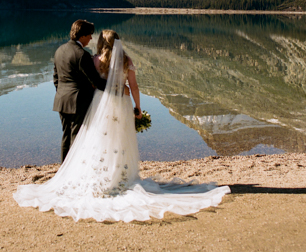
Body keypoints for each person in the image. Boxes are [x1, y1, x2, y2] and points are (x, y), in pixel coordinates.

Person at [14, 30, 230, 222]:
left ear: (101, 42)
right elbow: (134, 86)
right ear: (117, 43)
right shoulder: (126, 60)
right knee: (120, 140)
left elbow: (91, 82)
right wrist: (138, 107)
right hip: (121, 103)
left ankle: (98, 177)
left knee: (98, 140)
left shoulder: (94, 59)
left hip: (100, 103)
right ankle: (121, 177)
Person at [52, 19, 108, 162]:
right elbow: (95, 81)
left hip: (62, 100)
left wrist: (63, 92)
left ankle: (63, 167)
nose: (91, 38)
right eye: (89, 35)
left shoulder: (60, 50)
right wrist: (116, 86)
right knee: (77, 137)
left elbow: (56, 78)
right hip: (78, 102)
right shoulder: (82, 55)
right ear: (82, 35)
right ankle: (73, 170)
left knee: (66, 135)